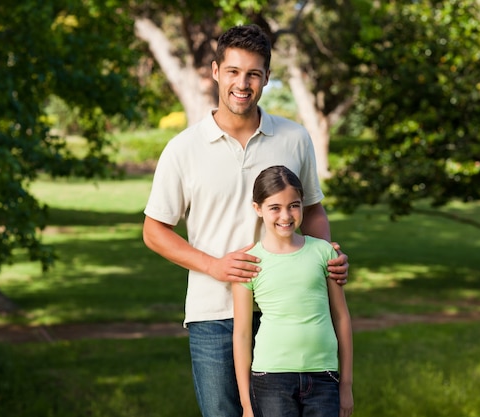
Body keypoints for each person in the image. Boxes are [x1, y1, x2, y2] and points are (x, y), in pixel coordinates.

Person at [142, 24, 349, 417]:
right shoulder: (182, 149)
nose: (243, 83)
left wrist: (329, 257)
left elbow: (314, 210)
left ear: (267, 78)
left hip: (289, 310)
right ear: (216, 71)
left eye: (254, 73)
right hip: (215, 313)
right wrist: (214, 266)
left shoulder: (294, 138)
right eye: (234, 71)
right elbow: (154, 230)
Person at [233, 165, 353, 417]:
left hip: (324, 376)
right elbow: (242, 334)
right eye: (274, 207)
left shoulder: (324, 252)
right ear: (258, 209)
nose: (285, 216)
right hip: (272, 378)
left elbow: (341, 317)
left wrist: (346, 385)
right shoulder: (249, 262)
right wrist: (246, 405)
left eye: (294, 205)